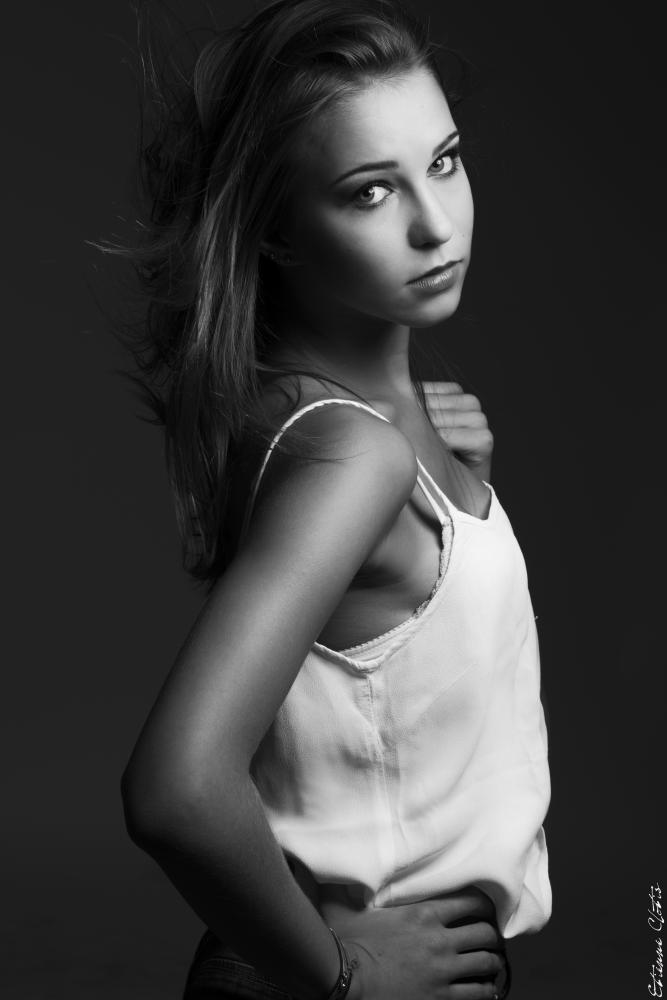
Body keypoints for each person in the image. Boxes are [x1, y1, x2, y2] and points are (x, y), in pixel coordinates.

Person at [113, 0, 551, 997]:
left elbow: (396, 666)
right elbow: (175, 787)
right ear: (275, 230)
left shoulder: (332, 426)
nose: (435, 224)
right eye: (369, 191)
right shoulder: (354, 457)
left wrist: (464, 492)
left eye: (444, 161)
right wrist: (340, 978)